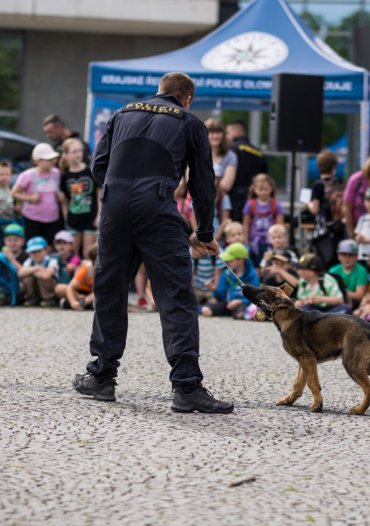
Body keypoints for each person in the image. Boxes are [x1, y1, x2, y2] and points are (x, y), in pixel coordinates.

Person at [72, 72, 233, 413]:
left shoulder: (122, 113)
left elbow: (97, 166)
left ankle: (101, 377)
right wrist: (204, 232)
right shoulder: (190, 122)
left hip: (114, 207)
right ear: (186, 98)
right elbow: (203, 183)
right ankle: (187, 387)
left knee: (111, 289)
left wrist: (118, 192)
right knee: (176, 295)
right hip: (156, 205)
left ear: (159, 91)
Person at [13, 143, 63, 245]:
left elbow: (56, 190)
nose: (53, 162)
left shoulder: (56, 173)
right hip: (32, 218)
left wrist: (59, 196)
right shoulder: (27, 175)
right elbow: (14, 193)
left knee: (49, 245)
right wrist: (30, 198)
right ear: (38, 160)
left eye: (54, 159)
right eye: (48, 159)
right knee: (33, 244)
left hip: (52, 218)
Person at [59, 137, 98, 260]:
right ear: (65, 155)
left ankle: (88, 279)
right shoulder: (65, 176)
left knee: (88, 253)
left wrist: (99, 215)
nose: (78, 154)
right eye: (74, 152)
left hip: (90, 217)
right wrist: (66, 217)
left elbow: (99, 193)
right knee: (73, 254)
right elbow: (65, 200)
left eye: (80, 151)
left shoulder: (90, 170)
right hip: (74, 218)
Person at [201, 242, 259, 320]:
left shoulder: (252, 274)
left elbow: (256, 295)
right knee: (206, 310)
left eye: (231, 260)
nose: (228, 262)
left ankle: (243, 314)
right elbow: (220, 293)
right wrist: (214, 292)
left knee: (241, 313)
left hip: (244, 304)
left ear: (241, 260)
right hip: (227, 304)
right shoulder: (226, 273)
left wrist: (240, 301)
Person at [225, 120, 267, 222]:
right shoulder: (259, 152)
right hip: (254, 197)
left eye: (228, 133)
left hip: (234, 197)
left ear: (237, 132)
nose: (226, 136)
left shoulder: (232, 150)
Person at [308, 150, 344, 266]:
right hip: (338, 226)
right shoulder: (339, 183)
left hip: (323, 228)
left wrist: (307, 203)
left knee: (323, 259)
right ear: (334, 167)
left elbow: (315, 209)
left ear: (319, 167)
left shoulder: (318, 185)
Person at [242, 173, 284, 265]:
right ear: (254, 189)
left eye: (266, 189)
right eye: (260, 189)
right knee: (255, 264)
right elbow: (246, 224)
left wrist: (279, 240)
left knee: (269, 263)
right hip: (254, 242)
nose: (263, 192)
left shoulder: (276, 205)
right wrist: (245, 240)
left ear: (271, 188)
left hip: (271, 242)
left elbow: (280, 225)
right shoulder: (250, 205)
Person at [18, 236, 59, 307]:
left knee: (42, 278)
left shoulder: (51, 261)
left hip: (49, 288)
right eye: (33, 252)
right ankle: (32, 298)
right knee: (27, 279)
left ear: (46, 250)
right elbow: (20, 273)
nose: (37, 254)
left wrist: (31, 271)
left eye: (39, 251)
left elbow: (46, 276)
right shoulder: (29, 261)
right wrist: (37, 268)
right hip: (36, 287)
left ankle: (48, 299)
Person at [329, 239, 368, 309]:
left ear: (356, 256)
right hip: (335, 303)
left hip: (355, 305)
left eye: (351, 255)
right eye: (344, 255)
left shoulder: (361, 271)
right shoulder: (333, 271)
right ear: (338, 256)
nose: (347, 258)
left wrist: (342, 292)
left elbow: (359, 296)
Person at [57, 245, 97, 311]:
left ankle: (83, 303)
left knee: (101, 291)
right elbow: (70, 287)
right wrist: (73, 303)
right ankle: (84, 303)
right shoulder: (87, 268)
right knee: (59, 288)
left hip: (94, 294)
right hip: (80, 292)